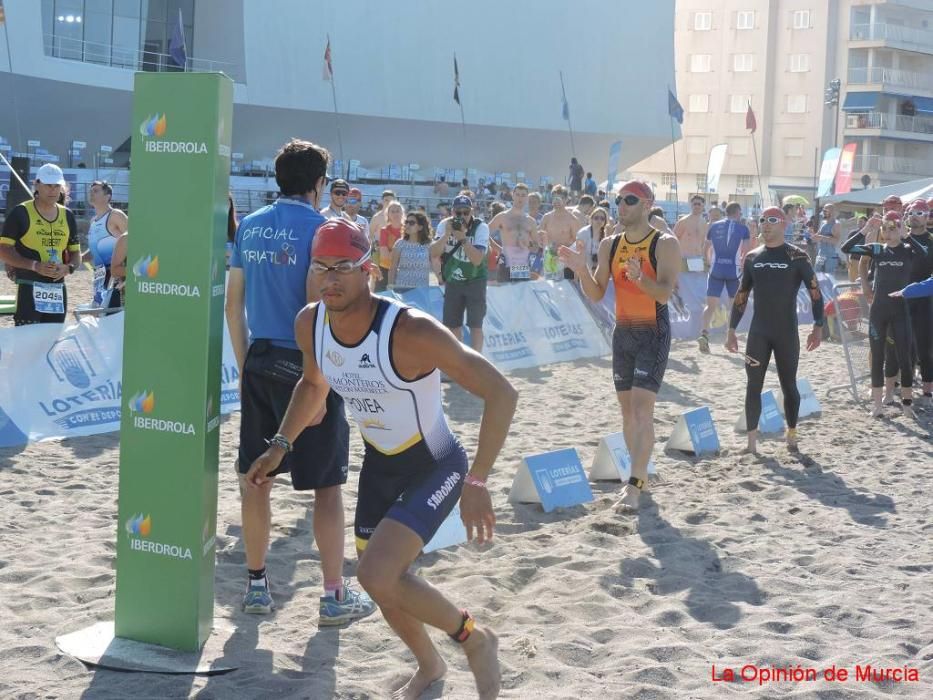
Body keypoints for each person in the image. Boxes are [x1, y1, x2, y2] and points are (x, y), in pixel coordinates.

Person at [247, 219, 516, 700]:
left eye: (343, 268)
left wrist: (477, 481)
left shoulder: (410, 331)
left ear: (369, 270)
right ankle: (430, 666)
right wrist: (279, 445)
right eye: (321, 267)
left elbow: (502, 391)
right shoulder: (311, 323)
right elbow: (313, 385)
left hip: (435, 463)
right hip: (381, 464)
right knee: (382, 582)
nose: (330, 279)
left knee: (376, 573)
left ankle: (475, 639)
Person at [225, 138, 375, 623]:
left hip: (261, 359)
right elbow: (322, 310)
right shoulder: (325, 231)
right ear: (318, 184)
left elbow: (233, 304)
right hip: (311, 364)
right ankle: (333, 596)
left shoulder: (249, 225)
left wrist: (248, 360)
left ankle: (255, 587)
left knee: (257, 480)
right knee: (326, 486)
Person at [560, 181, 680, 512]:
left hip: (653, 333)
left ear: (647, 204)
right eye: (618, 200)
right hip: (623, 333)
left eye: (629, 200)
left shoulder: (664, 243)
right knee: (628, 414)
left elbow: (665, 294)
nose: (621, 206)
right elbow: (597, 293)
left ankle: (635, 484)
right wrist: (581, 269)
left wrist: (641, 278)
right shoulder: (610, 245)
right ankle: (637, 474)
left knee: (643, 411)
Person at [725, 206, 823, 453]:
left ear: (784, 224)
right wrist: (731, 329)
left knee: (788, 385)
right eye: (762, 220)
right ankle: (751, 443)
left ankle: (791, 433)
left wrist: (818, 326)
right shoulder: (752, 257)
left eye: (771, 220)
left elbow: (815, 293)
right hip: (759, 332)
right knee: (752, 386)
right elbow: (742, 295)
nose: (765, 225)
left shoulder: (798, 256)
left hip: (786, 333)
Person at [848, 212, 922, 418]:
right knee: (877, 357)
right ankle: (878, 406)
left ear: (900, 228)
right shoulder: (877, 250)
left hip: (901, 311)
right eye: (885, 228)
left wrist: (907, 235)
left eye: (893, 228)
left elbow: (925, 252)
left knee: (905, 359)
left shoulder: (909, 250)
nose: (889, 232)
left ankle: (907, 406)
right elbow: (848, 248)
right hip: (879, 311)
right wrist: (866, 229)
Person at [0, 164, 80, 325]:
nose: (53, 190)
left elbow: (75, 254)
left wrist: (68, 268)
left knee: (52, 342)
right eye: (48, 185)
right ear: (37, 184)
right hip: (29, 285)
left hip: (57, 289)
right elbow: (3, 250)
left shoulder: (68, 215)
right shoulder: (20, 212)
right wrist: (35, 265)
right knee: (27, 342)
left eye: (57, 185)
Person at [430, 194, 489, 352]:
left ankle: (476, 365)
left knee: (475, 325)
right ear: (452, 212)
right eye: (458, 212)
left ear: (472, 211)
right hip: (453, 281)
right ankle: (459, 362)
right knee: (452, 325)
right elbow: (434, 253)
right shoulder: (444, 225)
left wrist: (463, 239)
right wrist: (447, 235)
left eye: (466, 212)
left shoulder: (480, 227)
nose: (462, 216)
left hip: (475, 280)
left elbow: (477, 259)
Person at [697, 202, 752, 353]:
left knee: (710, 306)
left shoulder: (714, 226)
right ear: (737, 212)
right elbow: (747, 251)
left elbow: (706, 247)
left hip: (716, 269)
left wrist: (708, 262)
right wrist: (742, 266)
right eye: (740, 213)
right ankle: (729, 338)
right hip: (733, 271)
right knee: (733, 306)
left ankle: (704, 334)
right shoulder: (743, 228)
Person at [901, 199, 933, 401]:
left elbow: (923, 259)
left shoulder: (931, 241)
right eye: (911, 212)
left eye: (919, 213)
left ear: (928, 216)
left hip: (925, 299)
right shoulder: (900, 239)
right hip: (902, 297)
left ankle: (928, 389)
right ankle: (904, 386)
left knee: (925, 345)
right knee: (901, 344)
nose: (914, 216)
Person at [83, 180, 128, 309]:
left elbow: (134, 240)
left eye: (96, 191)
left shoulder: (116, 215)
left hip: (116, 276)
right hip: (100, 276)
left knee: (112, 316)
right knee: (101, 314)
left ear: (107, 197)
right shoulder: (93, 221)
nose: (91, 193)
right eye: (90, 191)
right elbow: (94, 251)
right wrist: (77, 259)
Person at [488, 183, 537, 283]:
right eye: (518, 194)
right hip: (506, 262)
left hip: (522, 264)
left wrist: (527, 244)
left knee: (521, 295)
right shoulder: (502, 217)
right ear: (513, 195)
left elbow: (535, 247)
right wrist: (498, 248)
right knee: (505, 295)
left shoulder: (531, 221)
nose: (520, 198)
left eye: (523, 195)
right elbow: (484, 233)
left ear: (527, 198)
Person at [540, 185, 580, 280]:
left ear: (566, 199)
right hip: (548, 261)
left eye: (560, 198)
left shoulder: (572, 220)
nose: (557, 201)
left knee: (567, 292)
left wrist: (562, 256)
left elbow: (577, 244)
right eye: (554, 198)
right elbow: (539, 237)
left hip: (566, 263)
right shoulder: (546, 217)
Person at [389, 211, 433, 292]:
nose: (407, 225)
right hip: (401, 289)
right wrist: (390, 287)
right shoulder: (400, 244)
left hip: (422, 290)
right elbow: (393, 267)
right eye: (406, 222)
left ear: (420, 227)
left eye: (412, 223)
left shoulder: (429, 245)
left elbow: (436, 265)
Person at [673, 196, 709, 272]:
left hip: (697, 258)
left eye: (699, 204)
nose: (696, 206)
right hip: (683, 258)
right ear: (691, 205)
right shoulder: (683, 221)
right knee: (683, 282)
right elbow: (674, 239)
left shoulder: (704, 222)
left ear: (703, 205)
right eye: (694, 204)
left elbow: (704, 242)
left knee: (696, 282)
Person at [376, 201, 405, 293]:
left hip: (403, 271)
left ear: (402, 213)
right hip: (385, 269)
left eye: (398, 211)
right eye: (392, 211)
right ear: (388, 214)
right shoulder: (384, 231)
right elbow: (384, 255)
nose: (395, 213)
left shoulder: (408, 230)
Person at [576, 206, 610, 271]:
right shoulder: (583, 233)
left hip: (595, 268)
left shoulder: (604, 233)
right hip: (582, 269)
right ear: (591, 219)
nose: (599, 220)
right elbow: (579, 257)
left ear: (605, 221)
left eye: (602, 218)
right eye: (596, 218)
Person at [815, 204, 842, 276]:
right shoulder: (823, 223)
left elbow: (836, 241)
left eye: (825, 210)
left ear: (831, 212)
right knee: (817, 276)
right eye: (823, 210)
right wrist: (812, 236)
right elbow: (817, 237)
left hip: (831, 256)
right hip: (821, 254)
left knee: (829, 278)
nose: (823, 212)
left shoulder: (836, 224)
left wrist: (822, 237)